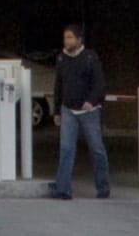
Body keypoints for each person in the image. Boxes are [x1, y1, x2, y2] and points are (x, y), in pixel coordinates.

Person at [48, 23, 110, 201]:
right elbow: (59, 85)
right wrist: (57, 111)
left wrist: (91, 101)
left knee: (97, 149)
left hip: (88, 111)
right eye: (65, 38)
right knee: (66, 149)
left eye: (69, 37)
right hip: (68, 110)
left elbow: (99, 83)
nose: (66, 41)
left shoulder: (90, 58)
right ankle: (63, 189)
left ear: (79, 39)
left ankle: (103, 186)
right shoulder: (61, 59)